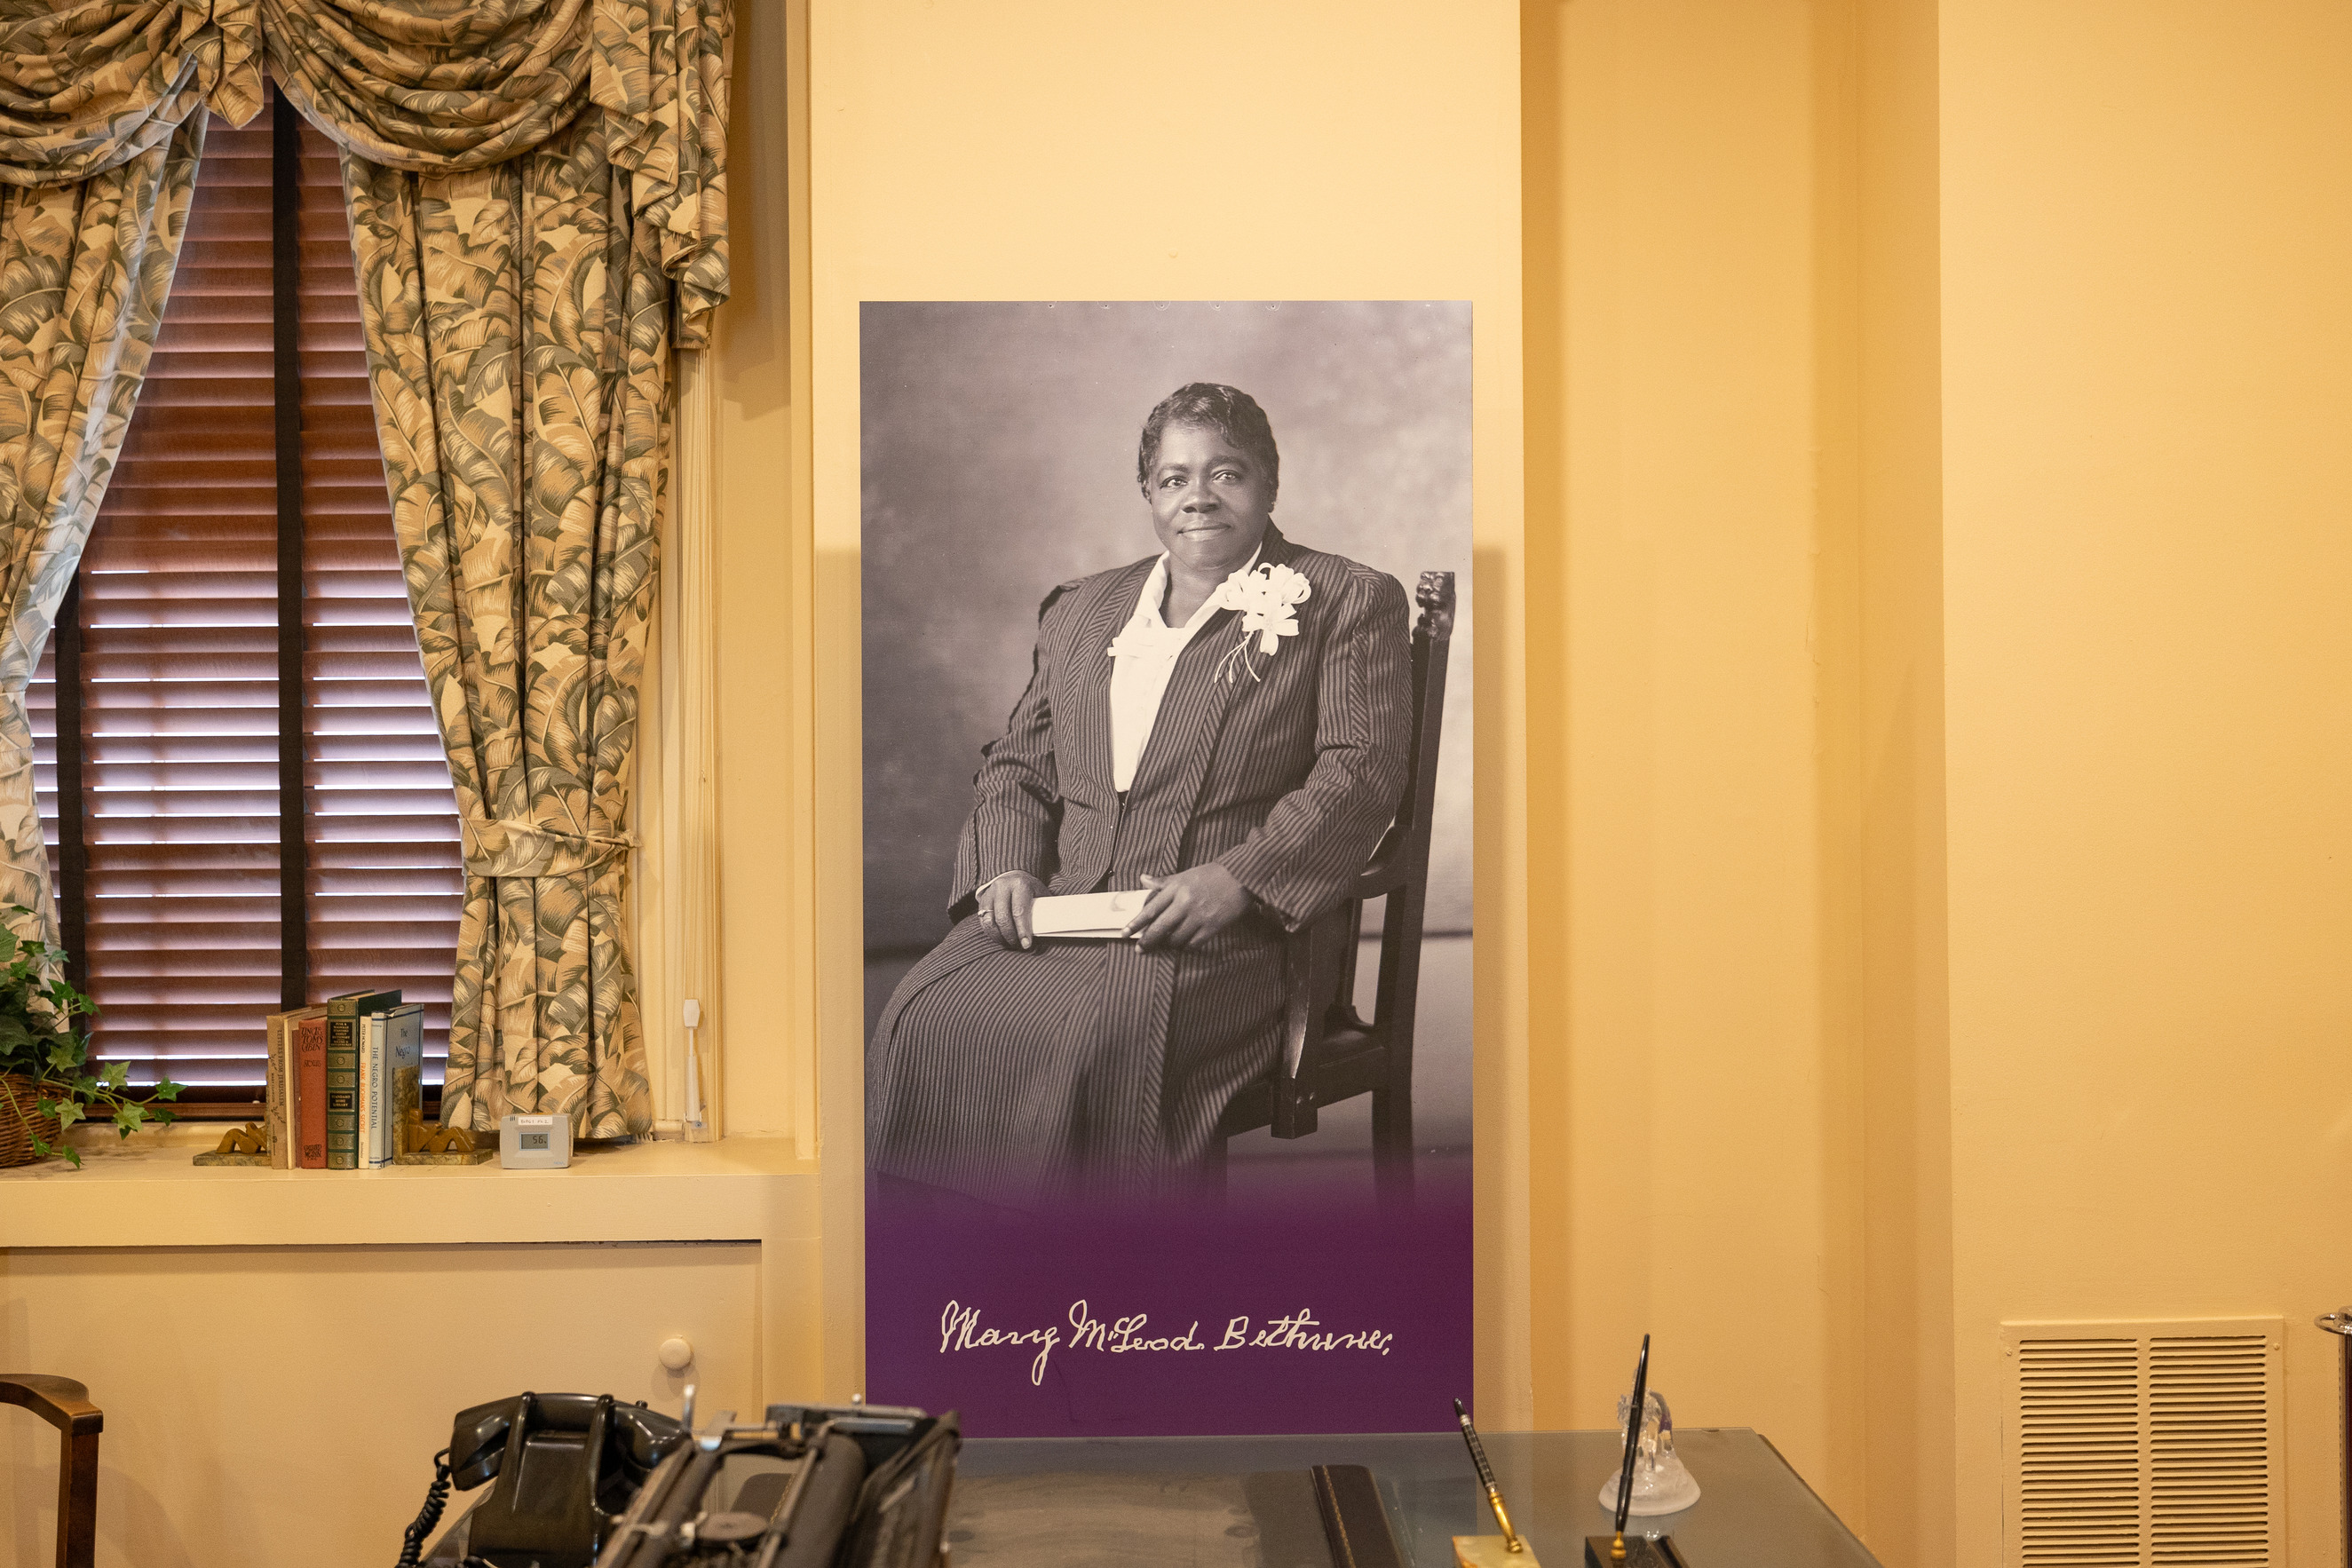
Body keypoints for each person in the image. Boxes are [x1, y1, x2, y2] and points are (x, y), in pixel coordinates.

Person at [866, 383, 1413, 1208]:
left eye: (1226, 474)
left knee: (1094, 1038)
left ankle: (1117, 1291)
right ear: (1148, 494)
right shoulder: (1084, 610)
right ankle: (973, 1285)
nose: (1198, 497)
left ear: (1269, 482)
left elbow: (1359, 772)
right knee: (921, 1012)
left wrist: (1237, 878)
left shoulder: (1345, 598)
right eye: (1173, 479)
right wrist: (1006, 870)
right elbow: (1018, 765)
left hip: (1235, 935)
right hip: (1064, 910)